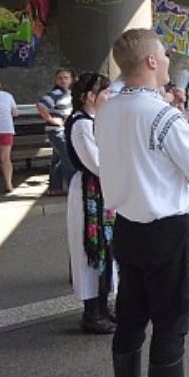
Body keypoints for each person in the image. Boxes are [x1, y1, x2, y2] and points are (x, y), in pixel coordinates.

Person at [95, 28, 189, 377]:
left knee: (130, 316)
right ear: (150, 62)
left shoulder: (107, 110)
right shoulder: (162, 115)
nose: (168, 61)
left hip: (125, 228)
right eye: (163, 55)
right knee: (169, 323)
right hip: (166, 232)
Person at [64, 72, 118, 335]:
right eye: (105, 92)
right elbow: (97, 163)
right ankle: (92, 312)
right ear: (89, 97)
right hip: (90, 191)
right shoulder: (81, 124)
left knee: (105, 247)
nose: (109, 97)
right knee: (91, 250)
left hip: (99, 189)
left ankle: (102, 305)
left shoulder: (93, 120)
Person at [37, 68, 75, 196]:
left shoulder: (68, 93)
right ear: (55, 80)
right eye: (60, 78)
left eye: (66, 77)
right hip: (57, 131)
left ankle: (55, 187)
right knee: (68, 158)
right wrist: (50, 119)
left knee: (57, 160)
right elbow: (41, 105)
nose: (63, 80)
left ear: (71, 79)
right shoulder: (56, 93)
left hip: (62, 130)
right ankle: (72, 187)